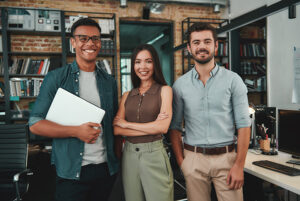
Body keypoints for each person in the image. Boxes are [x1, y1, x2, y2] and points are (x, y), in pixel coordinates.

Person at [29, 18, 122, 201]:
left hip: (105, 170)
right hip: (71, 172)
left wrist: (118, 159)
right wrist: (76, 131)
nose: (90, 43)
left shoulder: (109, 82)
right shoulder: (56, 78)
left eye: (95, 38)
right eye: (83, 38)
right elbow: (35, 124)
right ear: (73, 42)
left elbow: (114, 125)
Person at [169, 22, 251, 201]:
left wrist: (239, 165)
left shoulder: (233, 80)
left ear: (215, 45)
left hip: (227, 159)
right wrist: (183, 163)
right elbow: (174, 127)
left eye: (207, 41)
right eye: (196, 43)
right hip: (194, 159)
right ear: (189, 48)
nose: (202, 47)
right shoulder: (180, 85)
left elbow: (244, 125)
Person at [113, 44, 174, 201]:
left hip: (154, 155)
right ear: (133, 65)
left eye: (148, 61)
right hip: (129, 156)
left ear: (155, 64)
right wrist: (151, 127)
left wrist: (127, 124)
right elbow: (117, 130)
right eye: (138, 62)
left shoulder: (165, 90)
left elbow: (163, 127)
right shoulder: (127, 95)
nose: (143, 67)